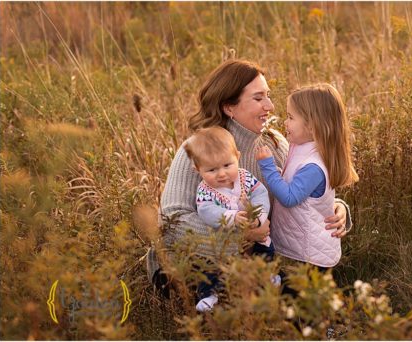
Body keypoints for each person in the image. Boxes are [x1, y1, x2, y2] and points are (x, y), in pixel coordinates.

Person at [148, 59, 353, 305]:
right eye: (258, 99)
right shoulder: (198, 149)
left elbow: (301, 190)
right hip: (195, 265)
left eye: (268, 96)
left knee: (297, 303)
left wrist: (336, 208)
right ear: (229, 108)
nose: (270, 106)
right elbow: (171, 222)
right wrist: (242, 238)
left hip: (256, 260)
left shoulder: (274, 143)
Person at [255, 83, 358, 270]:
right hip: (300, 246)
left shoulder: (313, 165)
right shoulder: (302, 148)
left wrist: (268, 167)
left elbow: (289, 198)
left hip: (309, 255)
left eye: (291, 117)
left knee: (300, 297)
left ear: (312, 126)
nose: (285, 123)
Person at [186, 126, 277, 312]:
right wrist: (232, 217)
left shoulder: (245, 178)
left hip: (253, 228)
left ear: (237, 156)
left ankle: (268, 275)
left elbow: (260, 193)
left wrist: (259, 216)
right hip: (221, 240)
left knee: (265, 248)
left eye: (227, 165)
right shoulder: (205, 190)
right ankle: (208, 294)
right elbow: (206, 211)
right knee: (209, 266)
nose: (221, 174)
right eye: (211, 169)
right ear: (197, 169)